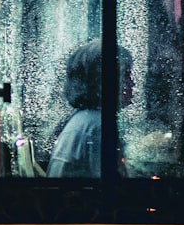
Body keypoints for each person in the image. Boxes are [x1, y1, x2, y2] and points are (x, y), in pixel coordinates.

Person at [46, 39, 133, 178]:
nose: (132, 83)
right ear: (104, 80)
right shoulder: (97, 127)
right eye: (126, 75)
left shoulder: (84, 119)